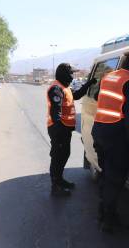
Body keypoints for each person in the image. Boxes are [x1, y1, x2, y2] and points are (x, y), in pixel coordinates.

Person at [91, 51, 129, 232]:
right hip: (116, 137)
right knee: (115, 179)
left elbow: (98, 96)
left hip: (99, 131)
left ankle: (102, 211)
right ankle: (108, 220)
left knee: (106, 174)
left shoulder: (108, 76)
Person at [47, 63, 96, 197]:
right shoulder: (56, 88)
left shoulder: (65, 88)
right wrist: (59, 131)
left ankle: (60, 180)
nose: (72, 76)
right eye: (71, 73)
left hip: (65, 128)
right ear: (64, 74)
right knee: (58, 157)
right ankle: (55, 186)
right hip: (58, 129)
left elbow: (77, 95)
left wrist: (89, 84)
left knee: (65, 154)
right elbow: (55, 112)